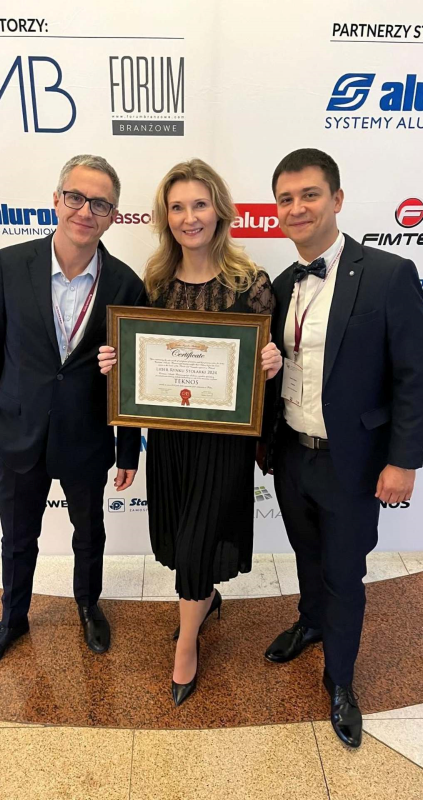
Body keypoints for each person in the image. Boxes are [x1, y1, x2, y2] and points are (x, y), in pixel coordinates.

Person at [99, 158, 282, 705]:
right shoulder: (151, 284)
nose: (189, 216)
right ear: (165, 217)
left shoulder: (251, 285)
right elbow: (138, 374)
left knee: (201, 533)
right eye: (177, 207)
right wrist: (117, 364)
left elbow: (264, 377)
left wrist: (271, 364)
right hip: (172, 440)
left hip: (224, 443)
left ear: (219, 211)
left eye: (199, 204)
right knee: (182, 537)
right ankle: (201, 595)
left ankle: (187, 643)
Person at [258, 148, 423, 748]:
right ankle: (309, 623)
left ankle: (341, 679)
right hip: (293, 454)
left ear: (337, 199)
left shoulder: (388, 273)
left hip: (355, 461)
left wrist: (403, 460)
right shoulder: (278, 285)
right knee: (307, 553)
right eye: (285, 199)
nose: (296, 208)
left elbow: (413, 375)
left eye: (309, 195)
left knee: (346, 573)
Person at [0, 154, 145, 675]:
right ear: (56, 199)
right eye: (76, 197)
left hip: (86, 437)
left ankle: (88, 605)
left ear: (113, 215)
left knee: (89, 531)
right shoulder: (9, 264)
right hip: (17, 431)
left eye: (100, 203)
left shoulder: (124, 283)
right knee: (18, 537)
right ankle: (12, 618)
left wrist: (126, 449)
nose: (85, 211)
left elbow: (130, 377)